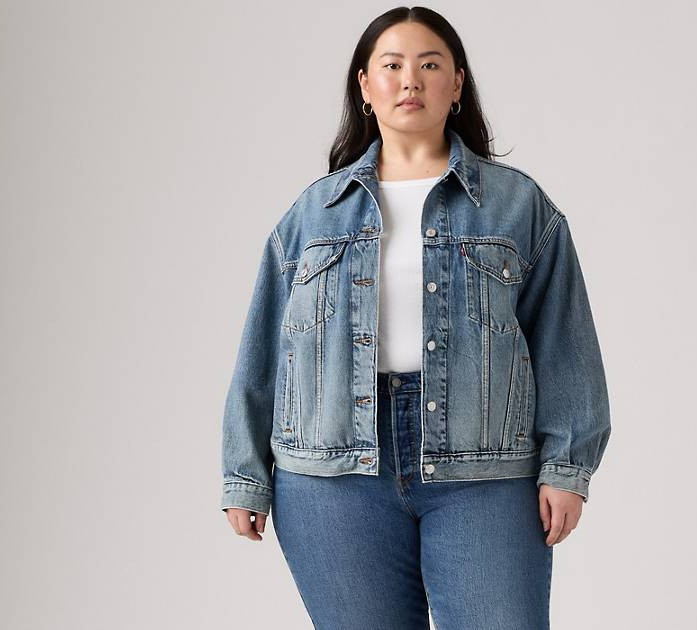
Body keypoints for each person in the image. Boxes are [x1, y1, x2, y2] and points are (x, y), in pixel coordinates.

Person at [220, 7, 611, 629]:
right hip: (334, 477)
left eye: (430, 65)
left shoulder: (516, 205)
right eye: (392, 65)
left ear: (456, 85)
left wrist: (567, 467)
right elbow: (267, 349)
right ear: (365, 86)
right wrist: (244, 474)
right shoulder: (314, 214)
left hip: (484, 471)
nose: (410, 80)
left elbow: (564, 341)